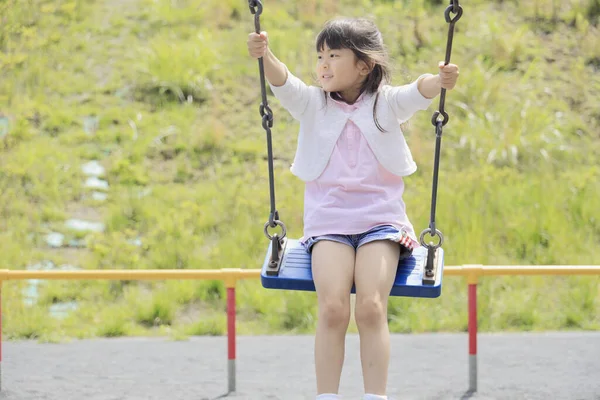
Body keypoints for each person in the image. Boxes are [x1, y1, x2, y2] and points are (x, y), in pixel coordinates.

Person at [247, 17, 459, 400]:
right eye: (320, 56)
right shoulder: (313, 104)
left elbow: (418, 91)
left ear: (364, 65)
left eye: (333, 55)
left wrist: (438, 79)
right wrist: (266, 55)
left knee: (371, 308)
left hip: (381, 222)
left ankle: (374, 396)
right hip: (329, 225)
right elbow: (283, 82)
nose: (323, 65)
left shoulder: (386, 103)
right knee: (332, 309)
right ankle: (327, 396)